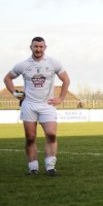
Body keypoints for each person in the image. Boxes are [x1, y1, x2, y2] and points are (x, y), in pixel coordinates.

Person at [3, 36, 71, 176]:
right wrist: (16, 94)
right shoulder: (23, 65)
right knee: (30, 137)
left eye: (41, 47)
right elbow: (7, 78)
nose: (38, 49)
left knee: (51, 135)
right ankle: (33, 168)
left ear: (45, 47)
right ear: (31, 47)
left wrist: (61, 98)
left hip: (48, 105)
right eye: (36, 46)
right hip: (29, 105)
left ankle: (50, 167)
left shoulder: (53, 63)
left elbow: (66, 80)